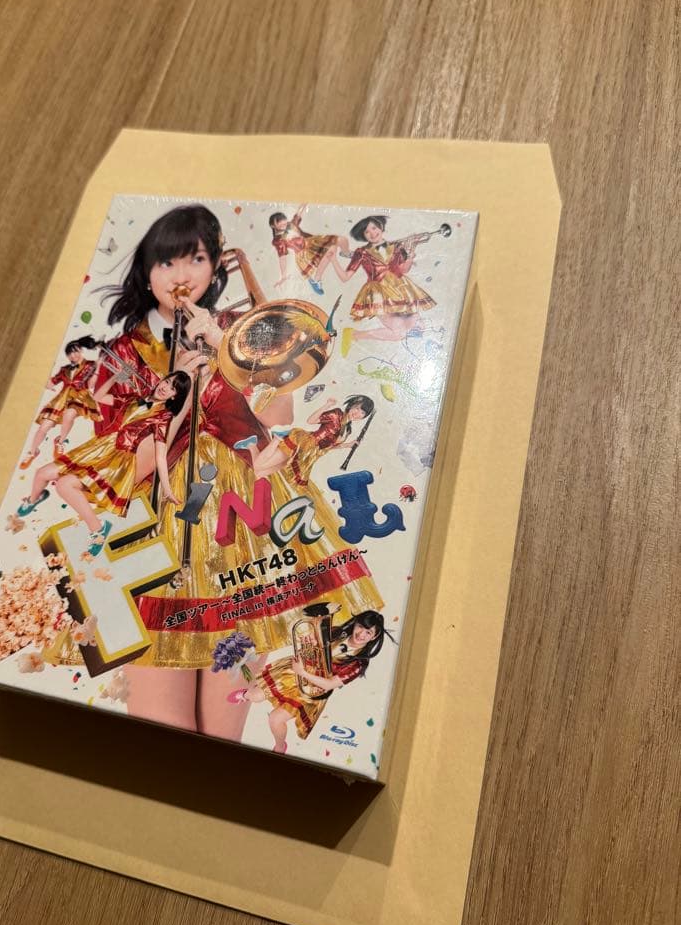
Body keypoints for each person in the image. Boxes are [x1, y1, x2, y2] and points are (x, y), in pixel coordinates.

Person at [92, 205, 383, 744]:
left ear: (214, 265)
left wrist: (226, 354)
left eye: (195, 259)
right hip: (161, 521)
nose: (181, 275)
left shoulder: (236, 329)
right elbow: (117, 458)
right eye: (166, 261)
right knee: (159, 727)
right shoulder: (125, 352)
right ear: (146, 271)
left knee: (221, 736)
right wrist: (175, 395)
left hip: (243, 525)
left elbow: (279, 416)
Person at [16, 372, 189, 555]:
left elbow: (160, 456)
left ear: (174, 396)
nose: (165, 388)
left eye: (172, 389)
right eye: (167, 382)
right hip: (97, 448)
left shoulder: (163, 417)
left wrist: (167, 489)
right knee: (41, 474)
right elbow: (98, 397)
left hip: (115, 461)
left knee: (64, 485)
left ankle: (98, 529)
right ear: (161, 380)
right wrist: (115, 377)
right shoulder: (134, 398)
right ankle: (33, 499)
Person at [227, 609, 388, 753]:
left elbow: (329, 684)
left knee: (275, 719)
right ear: (355, 623)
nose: (361, 634)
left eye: (368, 632)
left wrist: (303, 673)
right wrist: (310, 639)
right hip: (295, 672)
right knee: (254, 697)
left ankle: (280, 746)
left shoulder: (358, 664)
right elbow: (312, 643)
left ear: (374, 637)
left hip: (312, 691)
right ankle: (246, 694)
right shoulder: (337, 632)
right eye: (360, 627)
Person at [331, 215, 438, 356]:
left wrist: (410, 254)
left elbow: (403, 270)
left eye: (374, 228)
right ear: (364, 235)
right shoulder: (362, 252)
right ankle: (353, 335)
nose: (372, 233)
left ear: (381, 227)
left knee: (419, 326)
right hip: (379, 293)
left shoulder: (396, 247)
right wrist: (333, 259)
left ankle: (354, 335)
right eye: (367, 232)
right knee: (399, 333)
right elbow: (345, 277)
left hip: (402, 289)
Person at [234, 395, 374, 485]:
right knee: (258, 466)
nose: (357, 413)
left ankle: (252, 445)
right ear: (351, 406)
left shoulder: (348, 430)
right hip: (302, 444)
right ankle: (274, 439)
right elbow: (311, 420)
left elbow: (329, 446)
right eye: (357, 408)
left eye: (362, 412)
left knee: (260, 473)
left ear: (364, 417)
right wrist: (327, 405)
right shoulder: (336, 414)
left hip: (309, 455)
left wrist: (347, 445)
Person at [19, 336, 102, 468]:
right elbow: (51, 383)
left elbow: (91, 385)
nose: (73, 355)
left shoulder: (91, 365)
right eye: (70, 354)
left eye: (75, 351)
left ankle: (60, 441)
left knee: (69, 415)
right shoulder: (65, 369)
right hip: (61, 400)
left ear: (80, 350)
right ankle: (32, 452)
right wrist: (46, 376)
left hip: (79, 398)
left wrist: (97, 369)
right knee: (44, 427)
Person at [270, 205, 348, 295]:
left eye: (283, 219)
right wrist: (283, 276)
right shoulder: (279, 240)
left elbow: (299, 213)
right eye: (279, 221)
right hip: (304, 254)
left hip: (312, 242)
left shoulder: (291, 224)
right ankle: (316, 279)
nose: (283, 222)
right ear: (273, 225)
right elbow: (282, 257)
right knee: (332, 249)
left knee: (341, 240)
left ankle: (346, 252)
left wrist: (305, 202)